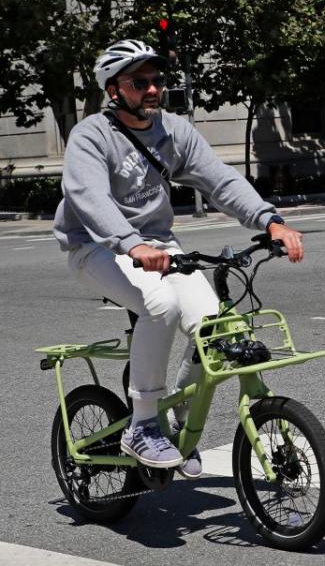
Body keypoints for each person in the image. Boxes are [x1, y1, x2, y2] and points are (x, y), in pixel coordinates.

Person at [53, 39, 304, 477]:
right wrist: (131, 244)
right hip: (94, 244)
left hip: (156, 243)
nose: (152, 89)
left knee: (214, 328)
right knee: (161, 306)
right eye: (139, 82)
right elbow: (88, 197)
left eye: (156, 80)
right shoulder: (90, 135)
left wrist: (270, 222)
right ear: (114, 90)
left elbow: (219, 179)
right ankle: (144, 423)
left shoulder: (173, 130)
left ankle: (180, 424)